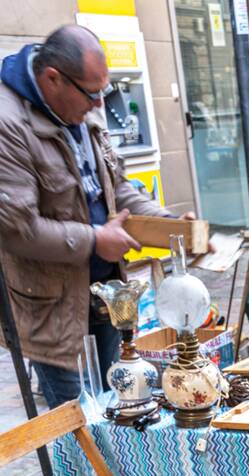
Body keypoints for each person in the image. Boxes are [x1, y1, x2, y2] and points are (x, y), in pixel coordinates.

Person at [0, 25, 175, 407]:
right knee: (80, 427)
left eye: (104, 91)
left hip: (106, 296)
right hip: (55, 309)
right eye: (93, 93)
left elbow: (118, 188)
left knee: (121, 410)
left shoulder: (81, 108)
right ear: (53, 79)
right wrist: (96, 240)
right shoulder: (7, 123)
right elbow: (17, 230)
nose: (100, 104)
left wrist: (173, 226)